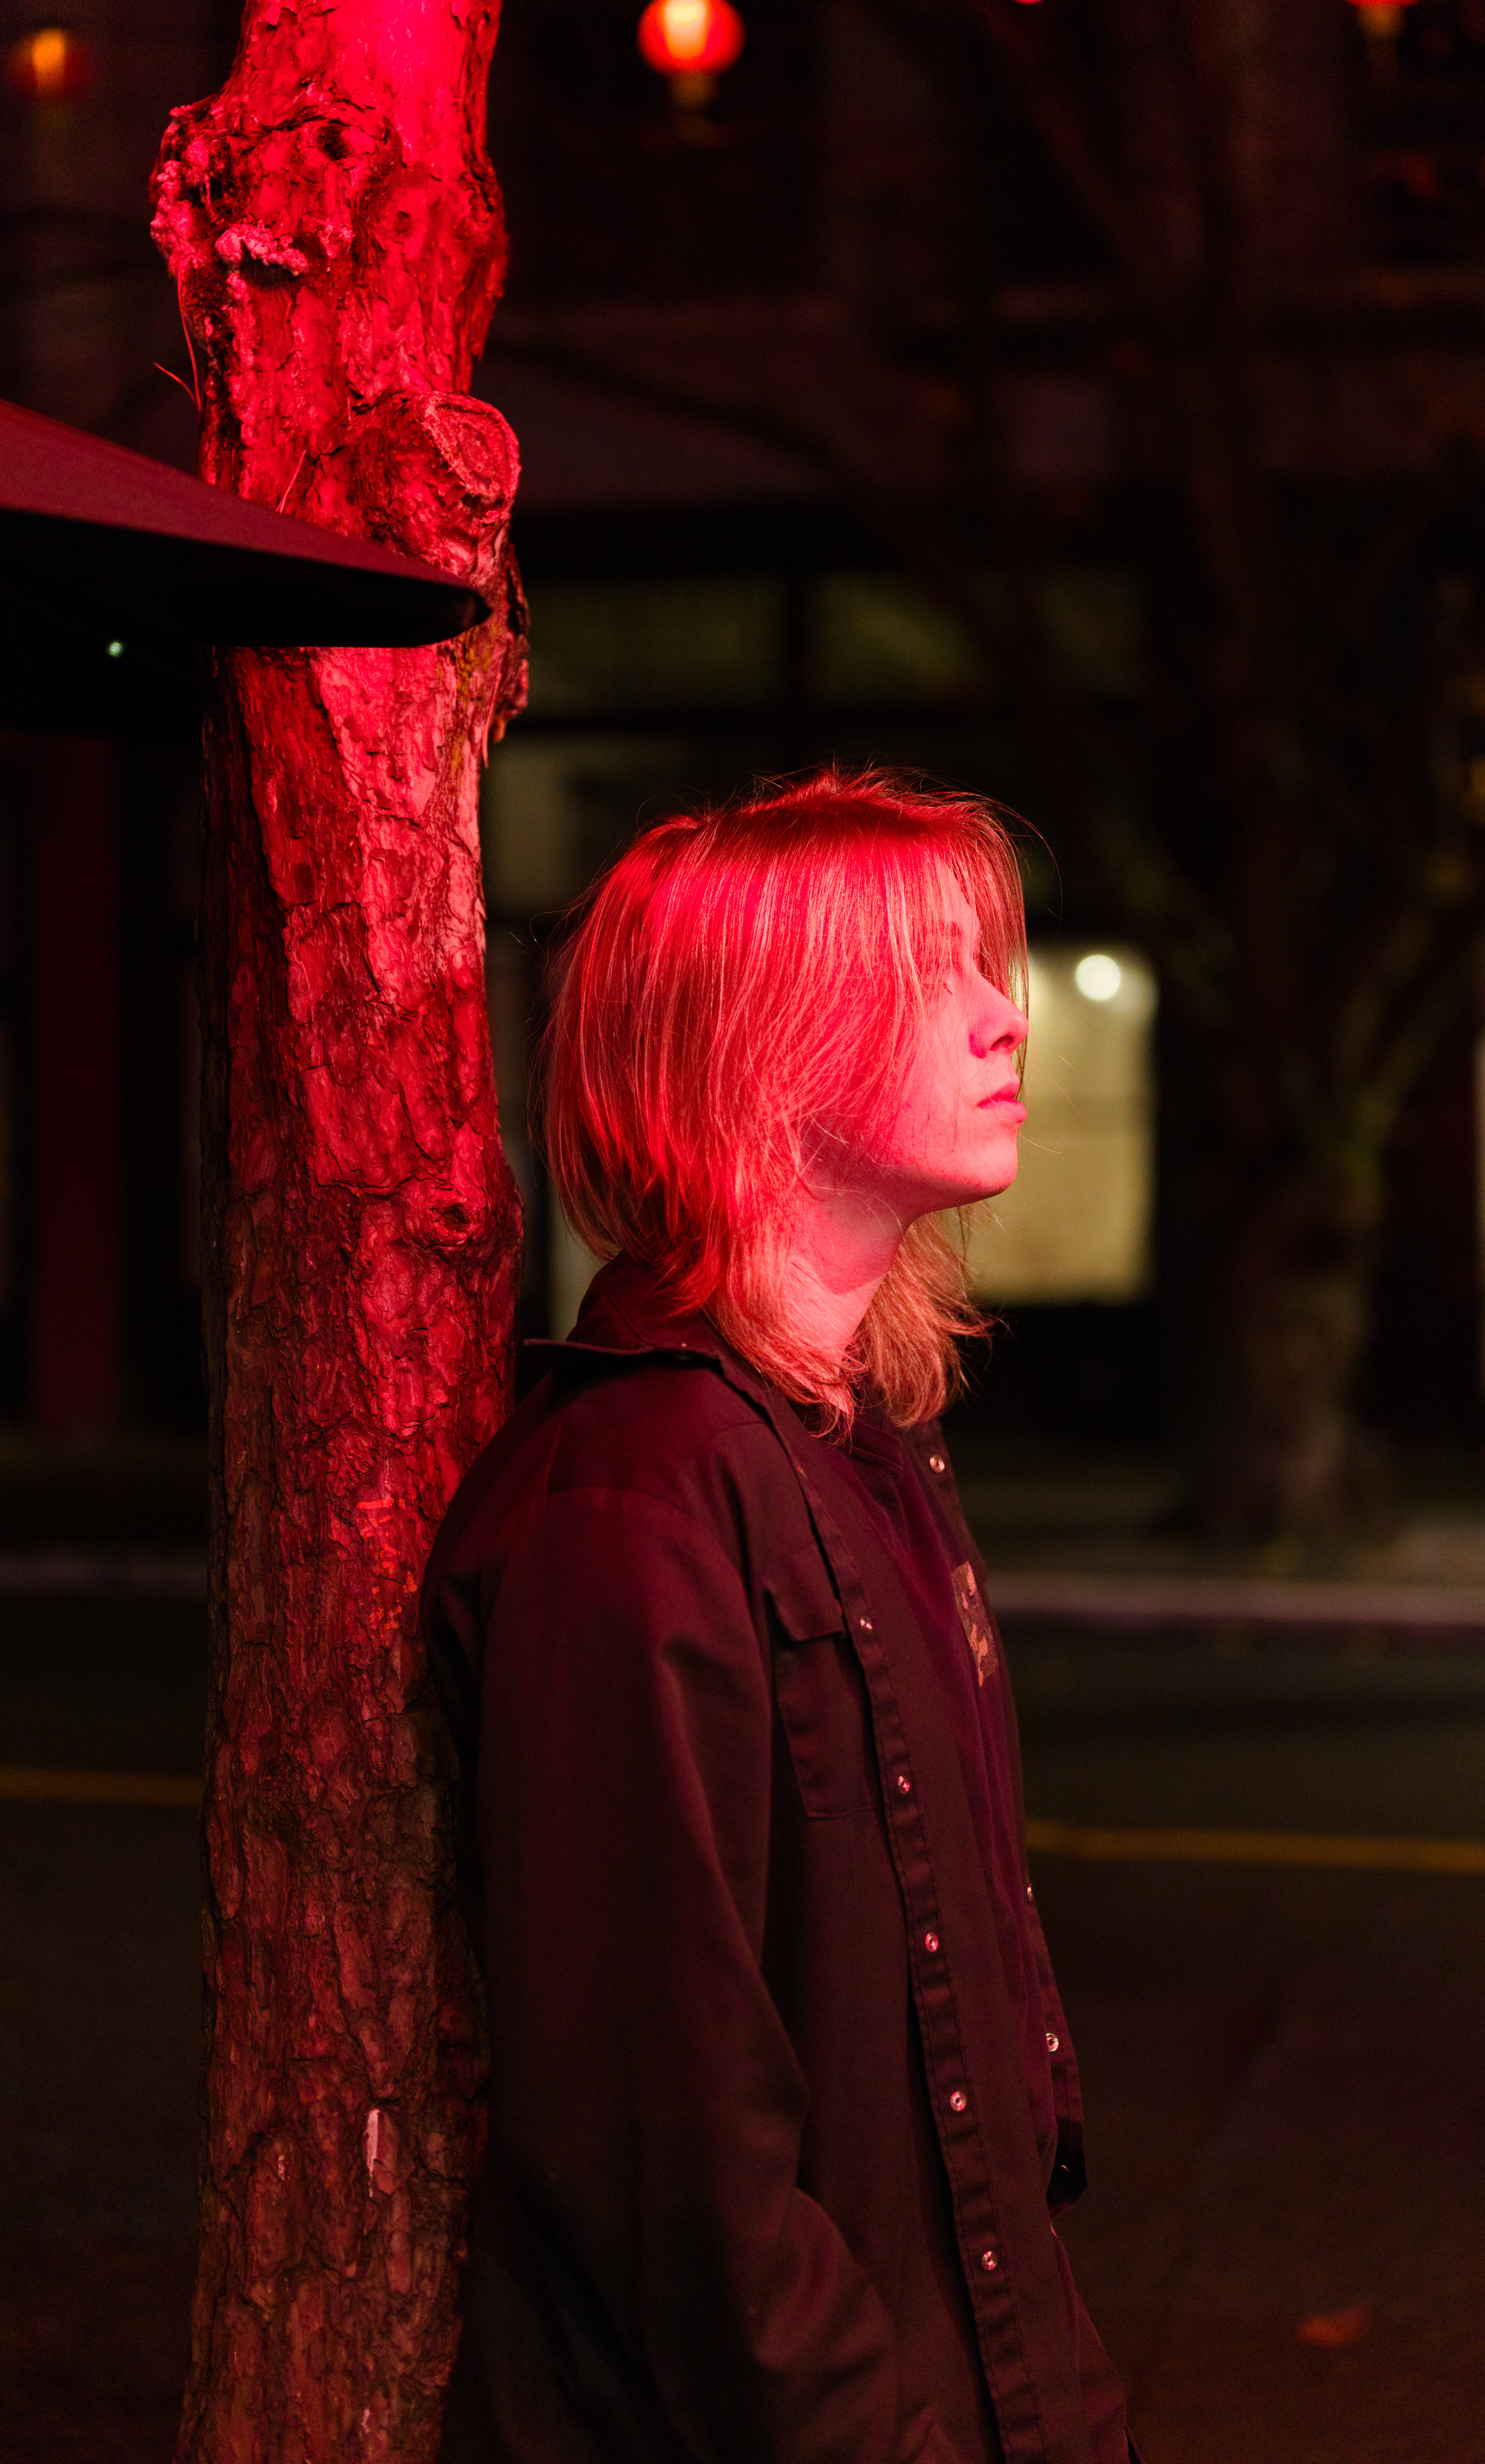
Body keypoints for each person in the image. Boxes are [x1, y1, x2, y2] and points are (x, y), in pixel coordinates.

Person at [423, 768, 1137, 2464]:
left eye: (989, 963)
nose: (1004, 1016)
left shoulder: (862, 1443)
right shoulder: (640, 1495)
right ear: (760, 1043)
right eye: (932, 971)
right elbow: (665, 2148)